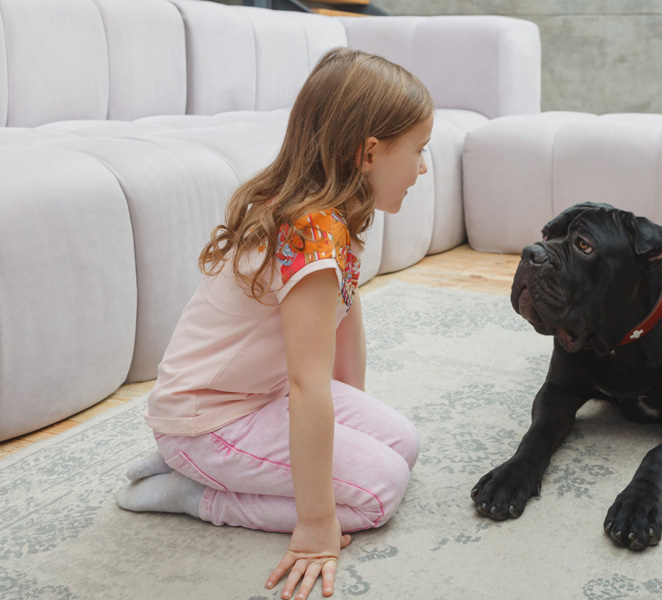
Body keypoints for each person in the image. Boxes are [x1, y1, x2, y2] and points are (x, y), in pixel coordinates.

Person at [116, 47, 434, 600]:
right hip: (209, 417)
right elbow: (308, 383)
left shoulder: (338, 214)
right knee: (379, 492)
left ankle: (205, 467)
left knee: (402, 443)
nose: (423, 167)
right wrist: (315, 525)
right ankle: (196, 491)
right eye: (419, 151)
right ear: (369, 153)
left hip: (255, 397)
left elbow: (343, 325)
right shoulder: (310, 234)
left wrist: (347, 429)